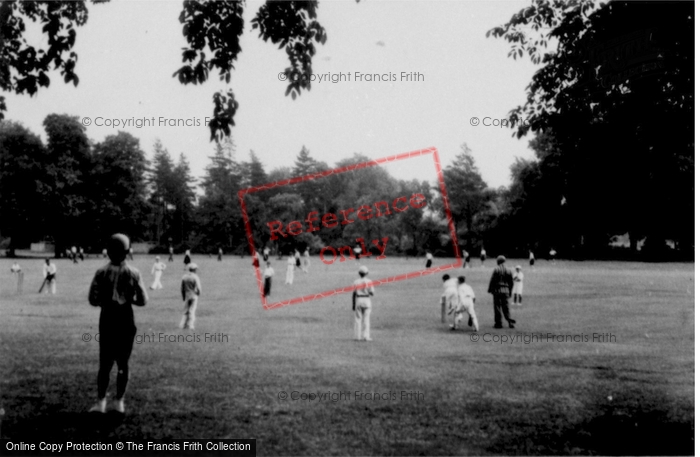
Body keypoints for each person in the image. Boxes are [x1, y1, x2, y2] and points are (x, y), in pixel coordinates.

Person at [88, 233, 148, 414]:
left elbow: (92, 299)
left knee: (105, 364)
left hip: (107, 317)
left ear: (108, 252)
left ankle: (101, 402)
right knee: (124, 363)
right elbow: (143, 300)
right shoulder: (134, 272)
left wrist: (105, 302)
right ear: (127, 251)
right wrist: (128, 299)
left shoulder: (101, 272)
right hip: (125, 318)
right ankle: (119, 401)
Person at [488, 255, 515, 329]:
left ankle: (498, 323)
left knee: (497, 307)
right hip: (506, 291)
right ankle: (510, 321)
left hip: (497, 291)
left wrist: (490, 289)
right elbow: (511, 283)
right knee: (506, 307)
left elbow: (492, 280)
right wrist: (510, 291)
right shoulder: (509, 270)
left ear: (498, 261)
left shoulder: (496, 269)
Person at [353, 265, 375, 341]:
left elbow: (354, 293)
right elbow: (372, 293)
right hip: (366, 300)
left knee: (358, 319)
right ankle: (366, 336)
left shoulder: (356, 281)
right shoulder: (369, 281)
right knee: (366, 319)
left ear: (359, 273)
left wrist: (353, 304)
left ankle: (357, 336)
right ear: (367, 273)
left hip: (358, 299)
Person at [180, 263, 202, 330]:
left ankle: (182, 325)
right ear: (194, 270)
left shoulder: (184, 277)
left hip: (187, 295)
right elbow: (199, 288)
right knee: (192, 310)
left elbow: (182, 288)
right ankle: (190, 325)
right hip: (193, 295)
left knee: (185, 311)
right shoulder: (195, 277)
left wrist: (183, 296)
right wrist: (198, 294)